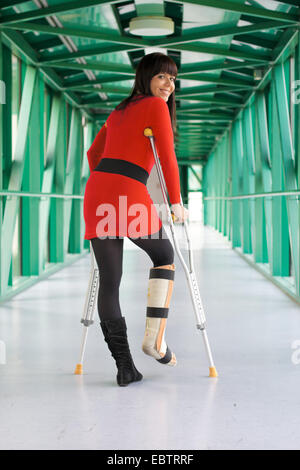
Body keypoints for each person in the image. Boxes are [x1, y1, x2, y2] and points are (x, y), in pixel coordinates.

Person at [83, 52, 189, 387]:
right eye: (161, 77)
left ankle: (125, 367)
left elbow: (93, 155)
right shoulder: (155, 107)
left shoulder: (118, 111)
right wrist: (175, 202)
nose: (169, 85)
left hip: (97, 191)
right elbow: (168, 155)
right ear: (145, 78)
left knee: (110, 282)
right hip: (128, 191)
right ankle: (154, 340)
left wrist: (104, 182)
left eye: (172, 79)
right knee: (164, 255)